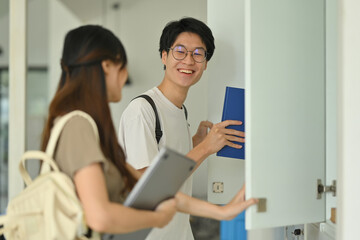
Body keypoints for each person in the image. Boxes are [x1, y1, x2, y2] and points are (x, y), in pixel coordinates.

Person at [118, 17, 258, 240]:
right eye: (180, 51)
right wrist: (206, 148)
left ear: (205, 63)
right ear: (164, 56)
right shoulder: (142, 110)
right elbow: (150, 189)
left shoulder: (180, 111)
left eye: (198, 53)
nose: (189, 61)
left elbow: (172, 171)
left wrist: (196, 143)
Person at [40, 25, 177, 238]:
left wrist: (222, 210)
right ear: (106, 66)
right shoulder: (78, 125)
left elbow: (146, 184)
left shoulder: (79, 123)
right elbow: (100, 216)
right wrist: (157, 219)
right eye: (122, 67)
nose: (125, 76)